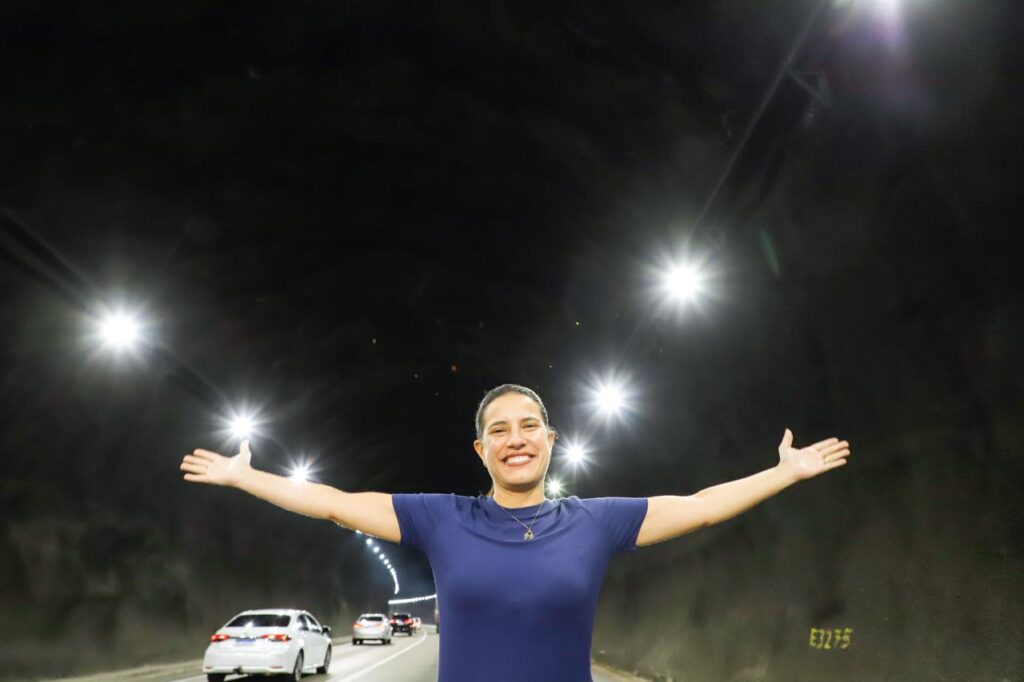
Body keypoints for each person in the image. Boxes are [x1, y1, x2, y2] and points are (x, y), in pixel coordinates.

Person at [180, 383, 850, 681]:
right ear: (481, 451)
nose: (515, 438)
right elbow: (333, 502)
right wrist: (246, 477)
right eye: (498, 430)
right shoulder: (442, 518)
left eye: (529, 425)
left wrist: (782, 474)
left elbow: (700, 505)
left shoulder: (596, 521)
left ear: (551, 439)